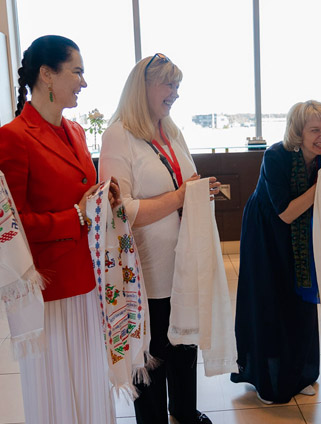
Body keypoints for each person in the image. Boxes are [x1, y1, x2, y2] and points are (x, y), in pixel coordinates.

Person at [0, 35, 120, 424]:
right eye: (77, 71)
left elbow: (79, 196)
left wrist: (102, 199)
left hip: (87, 278)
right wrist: (76, 216)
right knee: (58, 386)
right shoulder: (12, 137)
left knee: (88, 380)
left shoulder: (76, 131)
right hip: (49, 290)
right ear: (47, 74)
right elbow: (8, 227)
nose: (84, 82)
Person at [98, 53, 218, 424]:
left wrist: (199, 192)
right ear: (143, 87)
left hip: (184, 261)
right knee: (153, 353)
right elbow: (121, 211)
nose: (175, 93)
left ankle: (184, 410)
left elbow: (187, 183)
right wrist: (182, 197)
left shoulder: (171, 130)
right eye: (169, 85)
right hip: (148, 270)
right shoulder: (118, 135)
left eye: (177, 85)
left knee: (184, 343)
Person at [230, 100, 321, 404]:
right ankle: (268, 378)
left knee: (301, 301)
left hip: (302, 238)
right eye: (315, 130)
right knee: (271, 302)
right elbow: (286, 213)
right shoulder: (275, 156)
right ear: (298, 131)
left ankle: (301, 373)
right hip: (266, 234)